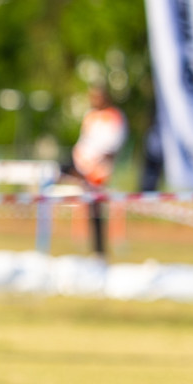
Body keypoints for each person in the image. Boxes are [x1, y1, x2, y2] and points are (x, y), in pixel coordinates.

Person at [66, 87, 127, 257]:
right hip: (80, 165)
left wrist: (92, 165)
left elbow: (112, 148)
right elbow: (84, 142)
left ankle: (99, 251)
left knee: (96, 209)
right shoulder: (90, 116)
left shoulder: (114, 117)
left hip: (97, 170)